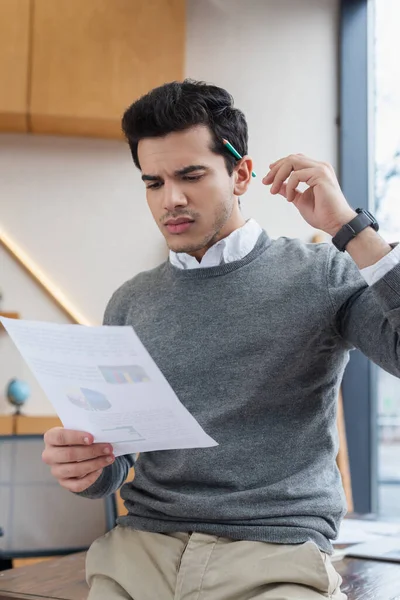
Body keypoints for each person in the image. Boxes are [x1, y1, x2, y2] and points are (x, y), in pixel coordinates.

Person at [42, 80, 400, 600]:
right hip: (141, 553)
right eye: (153, 182)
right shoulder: (129, 301)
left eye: (191, 176)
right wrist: (87, 467)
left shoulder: (323, 273)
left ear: (241, 174)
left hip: (274, 556)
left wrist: (350, 227)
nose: (173, 199)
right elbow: (119, 461)